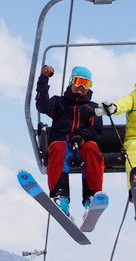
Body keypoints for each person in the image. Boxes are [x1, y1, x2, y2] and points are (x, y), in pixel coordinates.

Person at [36, 65, 105, 216]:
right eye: (78, 81)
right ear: (71, 82)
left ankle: (91, 196)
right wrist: (44, 79)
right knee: (58, 148)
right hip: (62, 143)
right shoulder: (59, 103)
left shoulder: (93, 108)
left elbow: (96, 129)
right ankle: (60, 196)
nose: (81, 87)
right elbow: (42, 106)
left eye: (85, 84)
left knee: (91, 148)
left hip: (82, 145)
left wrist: (82, 137)